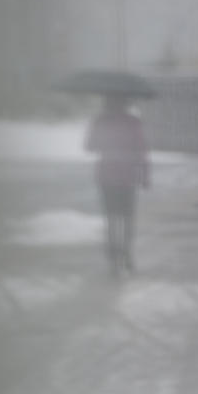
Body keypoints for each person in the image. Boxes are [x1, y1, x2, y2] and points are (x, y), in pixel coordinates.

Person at [84, 95, 151, 276]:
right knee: (127, 217)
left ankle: (113, 255)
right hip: (128, 175)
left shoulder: (100, 121)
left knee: (111, 217)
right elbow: (142, 150)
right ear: (127, 102)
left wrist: (104, 141)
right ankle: (127, 254)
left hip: (106, 175)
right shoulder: (133, 122)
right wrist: (145, 176)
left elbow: (89, 146)